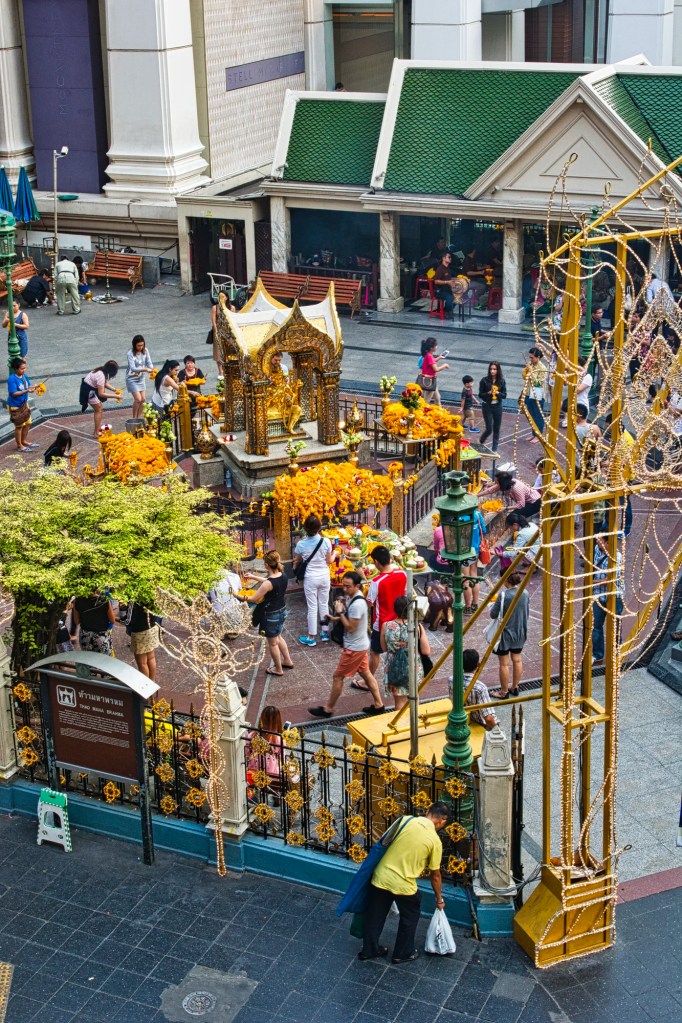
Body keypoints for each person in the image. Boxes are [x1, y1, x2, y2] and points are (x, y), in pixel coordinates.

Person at [360, 803, 448, 964]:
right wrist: (439, 899)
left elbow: (384, 841)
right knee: (410, 915)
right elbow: (435, 875)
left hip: (381, 876)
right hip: (404, 884)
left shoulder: (405, 820)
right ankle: (403, 952)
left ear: (427, 812)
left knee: (375, 914)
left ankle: (369, 950)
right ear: (442, 822)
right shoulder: (435, 842)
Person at [308, 571, 384, 718]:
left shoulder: (357, 604)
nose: (345, 589)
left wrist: (340, 612)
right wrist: (334, 618)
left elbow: (350, 627)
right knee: (366, 674)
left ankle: (328, 709)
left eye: (348, 586)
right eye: (343, 586)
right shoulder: (353, 598)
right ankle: (379, 704)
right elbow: (350, 620)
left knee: (338, 677)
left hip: (354, 649)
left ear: (357, 586)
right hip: (360, 646)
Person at [244, 550, 293, 676]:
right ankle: (287, 660)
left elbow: (254, 599)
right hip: (282, 611)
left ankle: (278, 669)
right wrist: (253, 577)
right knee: (279, 637)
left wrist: (236, 595)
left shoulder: (268, 583)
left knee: (273, 643)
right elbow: (269, 581)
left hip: (271, 615)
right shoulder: (283, 575)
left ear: (266, 565)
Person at [365, 545, 407, 683]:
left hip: (381, 623)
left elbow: (370, 603)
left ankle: (368, 681)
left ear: (376, 562)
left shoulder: (376, 582)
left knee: (375, 653)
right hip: (399, 620)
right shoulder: (402, 574)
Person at [293, 514, 332, 647]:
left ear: (305, 528)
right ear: (320, 527)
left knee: (312, 607)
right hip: (324, 576)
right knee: (324, 604)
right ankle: (325, 632)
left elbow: (297, 559)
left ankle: (311, 637)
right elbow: (329, 561)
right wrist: (336, 554)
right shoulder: (326, 542)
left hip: (310, 578)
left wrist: (295, 566)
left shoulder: (301, 544)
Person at [381, 595, 424, 712]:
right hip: (413, 665)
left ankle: (401, 727)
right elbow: (426, 650)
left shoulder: (386, 626)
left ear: (395, 610)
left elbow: (384, 648)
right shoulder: (417, 626)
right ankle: (415, 725)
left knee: (399, 701)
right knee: (415, 698)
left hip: (394, 666)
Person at [489, 573, 529, 699]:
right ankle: (515, 687)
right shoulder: (525, 593)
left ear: (506, 580)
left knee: (504, 663)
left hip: (504, 633)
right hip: (520, 631)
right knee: (517, 659)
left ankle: (504, 691)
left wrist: (493, 603)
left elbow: (493, 614)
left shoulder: (503, 595)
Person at [592, 534, 624, 667]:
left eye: (600, 540)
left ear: (607, 542)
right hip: (598, 595)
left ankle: (617, 648)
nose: (597, 542)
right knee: (597, 626)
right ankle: (598, 654)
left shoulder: (617, 557)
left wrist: (592, 581)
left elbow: (610, 580)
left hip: (613, 596)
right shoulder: (596, 549)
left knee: (614, 625)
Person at [80, 361, 120, 436]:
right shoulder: (101, 375)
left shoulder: (101, 370)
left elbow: (104, 383)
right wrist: (116, 396)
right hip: (88, 391)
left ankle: (96, 431)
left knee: (99, 408)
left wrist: (114, 390)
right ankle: (97, 432)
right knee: (98, 409)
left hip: (87, 388)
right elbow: (101, 394)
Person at [7, 356, 37, 451]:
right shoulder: (12, 379)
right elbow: (14, 393)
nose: (24, 370)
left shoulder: (25, 376)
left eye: (24, 368)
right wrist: (27, 390)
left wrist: (34, 388)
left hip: (24, 403)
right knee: (19, 426)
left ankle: (23, 441)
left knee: (28, 423)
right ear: (16, 369)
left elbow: (28, 387)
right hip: (15, 405)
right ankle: (19, 445)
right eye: (22, 368)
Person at [462, 649, 498, 730]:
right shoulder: (480, 687)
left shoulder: (452, 680)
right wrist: (497, 730)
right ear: (478, 664)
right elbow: (488, 718)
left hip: (464, 718)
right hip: (480, 723)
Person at [126, 603, 160, 681]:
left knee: (142, 663)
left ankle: (146, 687)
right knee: (151, 658)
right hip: (152, 627)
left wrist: (116, 619)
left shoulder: (132, 599)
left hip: (140, 632)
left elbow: (127, 620)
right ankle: (152, 683)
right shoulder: (150, 594)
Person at [479, 361, 507, 452]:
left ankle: (494, 448)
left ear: (498, 370)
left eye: (494, 369)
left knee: (496, 428)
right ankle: (481, 441)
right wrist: (489, 393)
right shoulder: (484, 380)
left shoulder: (501, 381)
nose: (492, 371)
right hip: (487, 406)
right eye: (491, 369)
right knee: (489, 428)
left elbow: (504, 395)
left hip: (497, 406)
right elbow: (480, 394)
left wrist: (498, 393)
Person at [521, 347, 547, 442]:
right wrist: (526, 370)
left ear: (538, 357)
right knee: (531, 415)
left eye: (532, 358)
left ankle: (539, 435)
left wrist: (531, 372)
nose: (530, 359)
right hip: (528, 393)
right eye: (530, 357)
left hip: (537, 394)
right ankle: (533, 433)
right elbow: (524, 377)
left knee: (538, 416)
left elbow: (538, 383)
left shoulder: (542, 368)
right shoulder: (531, 365)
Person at [126, 335, 154, 419]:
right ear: (134, 345)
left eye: (142, 345)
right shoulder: (130, 353)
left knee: (143, 399)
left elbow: (149, 363)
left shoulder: (145, 351)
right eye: (138, 345)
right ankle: (134, 418)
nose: (140, 347)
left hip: (141, 378)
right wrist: (145, 369)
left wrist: (151, 369)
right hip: (131, 378)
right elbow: (133, 368)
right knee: (138, 399)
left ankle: (138, 417)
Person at [561, 356, 592, 428]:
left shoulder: (588, 377)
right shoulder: (574, 374)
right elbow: (565, 384)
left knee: (579, 427)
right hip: (572, 403)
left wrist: (570, 378)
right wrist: (565, 377)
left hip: (581, 405)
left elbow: (577, 390)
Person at [417, 337, 448, 405]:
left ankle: (439, 413)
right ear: (431, 348)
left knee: (437, 398)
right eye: (436, 346)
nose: (437, 347)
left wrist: (439, 357)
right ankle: (420, 414)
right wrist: (444, 365)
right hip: (429, 382)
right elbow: (436, 369)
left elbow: (432, 362)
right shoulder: (430, 356)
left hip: (431, 381)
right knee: (426, 401)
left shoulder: (428, 355)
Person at [433, 251, 456, 319]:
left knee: (458, 297)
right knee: (450, 298)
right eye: (449, 257)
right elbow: (436, 281)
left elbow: (449, 279)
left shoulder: (448, 268)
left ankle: (446, 310)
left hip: (447, 290)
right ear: (443, 258)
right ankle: (447, 311)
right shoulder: (440, 269)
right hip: (440, 291)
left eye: (450, 257)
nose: (450, 258)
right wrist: (447, 282)